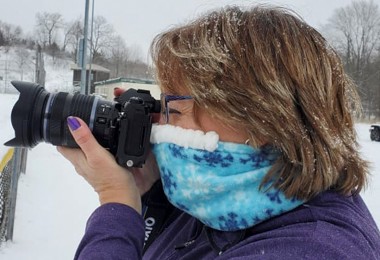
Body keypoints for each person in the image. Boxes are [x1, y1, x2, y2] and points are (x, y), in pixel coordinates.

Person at [58, 5, 380, 259]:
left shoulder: (313, 250)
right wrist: (150, 194)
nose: (161, 125)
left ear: (263, 118)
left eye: (177, 108)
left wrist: (116, 205)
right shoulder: (223, 200)